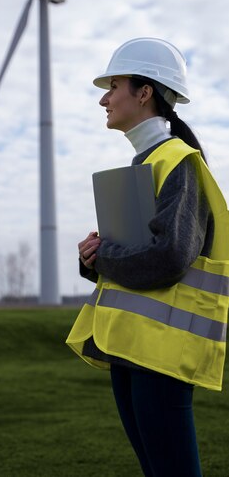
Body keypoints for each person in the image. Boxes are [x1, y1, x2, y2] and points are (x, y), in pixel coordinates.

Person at [66, 38, 229, 477]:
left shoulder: (179, 163)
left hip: (161, 354)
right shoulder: (148, 162)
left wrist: (105, 258)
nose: (103, 97)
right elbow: (140, 256)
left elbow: (168, 258)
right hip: (131, 349)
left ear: (144, 92)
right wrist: (93, 257)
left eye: (113, 84)